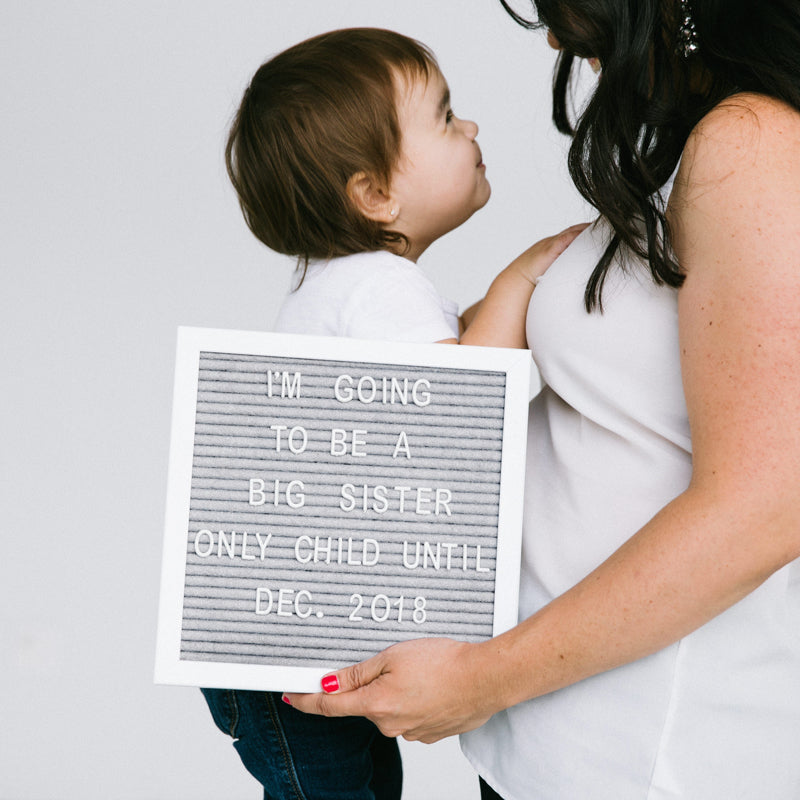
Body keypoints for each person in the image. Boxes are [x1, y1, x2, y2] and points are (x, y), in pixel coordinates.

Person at [285, 3, 800, 799]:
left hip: (641, 761)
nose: (556, 38)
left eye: (557, 7)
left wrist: (483, 677)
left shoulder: (752, 145)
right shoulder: (695, 145)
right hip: (546, 747)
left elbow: (767, 506)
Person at [201, 27, 584, 800]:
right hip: (298, 655)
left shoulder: (351, 286)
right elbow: (462, 412)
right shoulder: (380, 287)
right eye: (446, 117)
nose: (470, 128)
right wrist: (521, 280)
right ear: (374, 194)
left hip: (285, 648)